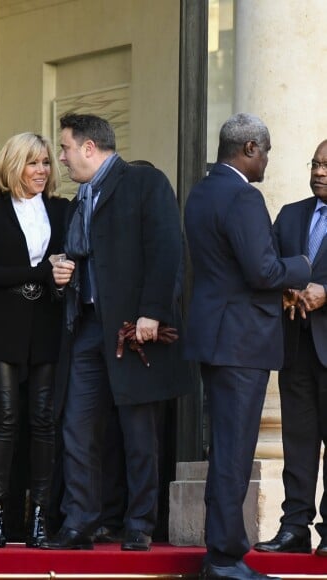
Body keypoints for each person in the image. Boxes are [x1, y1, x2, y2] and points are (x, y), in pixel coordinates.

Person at [41, 113, 191, 552]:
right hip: (86, 328)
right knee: (77, 426)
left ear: (89, 148)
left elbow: (167, 250)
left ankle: (140, 523)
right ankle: (80, 523)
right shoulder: (78, 200)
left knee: (138, 430)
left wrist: (152, 312)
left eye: (66, 148)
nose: (62, 159)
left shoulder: (145, 182)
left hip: (132, 331)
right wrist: (60, 271)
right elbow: (84, 257)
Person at [184, 113, 311, 580]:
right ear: (250, 148)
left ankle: (223, 551)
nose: (268, 162)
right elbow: (263, 272)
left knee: (225, 449)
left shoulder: (202, 191)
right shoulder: (242, 196)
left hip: (217, 338)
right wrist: (301, 267)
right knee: (234, 453)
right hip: (241, 342)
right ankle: (224, 556)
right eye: (267, 152)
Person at [0, 132, 68, 548]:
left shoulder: (63, 210)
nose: (42, 171)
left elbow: (68, 265)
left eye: (46, 162)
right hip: (4, 326)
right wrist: (42, 272)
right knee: (5, 419)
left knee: (44, 421)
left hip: (48, 323)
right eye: (33, 163)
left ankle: (39, 518)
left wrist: (58, 275)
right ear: (14, 166)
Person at [254, 139, 327, 557]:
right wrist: (284, 289)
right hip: (296, 348)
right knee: (298, 445)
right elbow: (268, 267)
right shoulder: (290, 215)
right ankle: (294, 528)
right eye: (315, 164)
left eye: (326, 166)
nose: (318, 172)